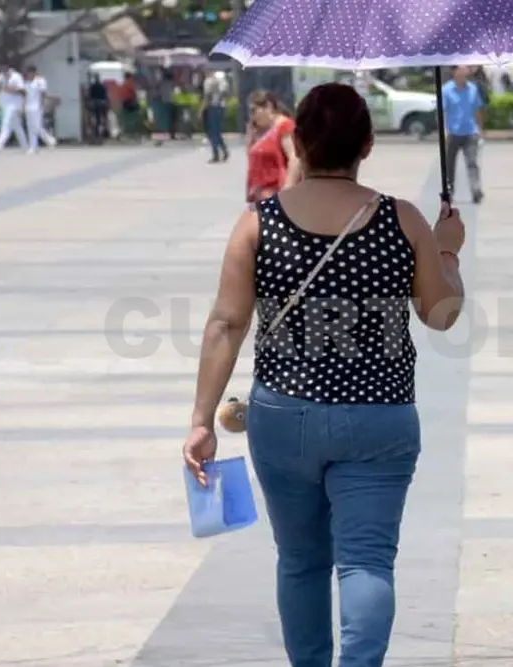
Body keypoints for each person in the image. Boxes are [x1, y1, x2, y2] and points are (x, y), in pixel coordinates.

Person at [181, 82, 467, 667]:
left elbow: (226, 325)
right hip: (379, 416)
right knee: (366, 561)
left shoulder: (258, 223)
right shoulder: (402, 219)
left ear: (300, 144)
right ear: (367, 144)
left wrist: (202, 420)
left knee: (300, 559)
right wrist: (447, 252)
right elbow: (441, 315)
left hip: (284, 414)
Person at [244, 90, 300, 205]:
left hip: (276, 191)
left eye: (254, 111)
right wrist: (251, 137)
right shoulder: (258, 130)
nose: (252, 117)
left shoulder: (283, 126)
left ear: (268, 107)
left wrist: (288, 187)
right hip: (259, 193)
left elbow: (294, 157)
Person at [441, 66, 486, 204]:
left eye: (465, 70)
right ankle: (449, 191)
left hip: (470, 132)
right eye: (461, 69)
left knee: (472, 163)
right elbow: (443, 111)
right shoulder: (446, 90)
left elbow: (477, 110)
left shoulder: (472, 89)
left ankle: (475, 189)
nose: (464, 72)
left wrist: (480, 130)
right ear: (454, 72)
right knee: (449, 165)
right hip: (453, 133)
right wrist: (444, 130)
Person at [0, 65, 28, 152]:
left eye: (5, 71)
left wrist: (9, 90)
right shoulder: (1, 76)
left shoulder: (16, 77)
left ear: (9, 69)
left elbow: (22, 92)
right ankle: (25, 145)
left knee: (6, 124)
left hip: (15, 105)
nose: (3, 73)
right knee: (17, 127)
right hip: (5, 104)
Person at [23, 66, 57, 153]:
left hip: (37, 106)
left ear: (35, 73)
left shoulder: (40, 81)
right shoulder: (26, 83)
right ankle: (33, 147)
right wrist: (23, 106)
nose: (29, 75)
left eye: (31, 73)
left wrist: (42, 104)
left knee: (37, 127)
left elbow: (43, 93)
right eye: (28, 73)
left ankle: (50, 140)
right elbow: (25, 95)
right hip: (28, 107)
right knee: (30, 127)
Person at [201, 68, 230, 164]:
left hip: (212, 107)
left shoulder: (208, 81)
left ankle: (216, 155)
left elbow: (207, 96)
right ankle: (224, 151)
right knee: (217, 132)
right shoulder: (222, 80)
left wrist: (201, 109)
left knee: (212, 132)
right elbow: (226, 94)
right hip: (221, 107)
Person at [87, 74, 109, 139]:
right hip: (102, 103)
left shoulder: (92, 86)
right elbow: (105, 96)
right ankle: (104, 130)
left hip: (95, 103)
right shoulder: (103, 86)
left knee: (95, 117)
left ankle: (96, 131)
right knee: (104, 117)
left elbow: (90, 96)